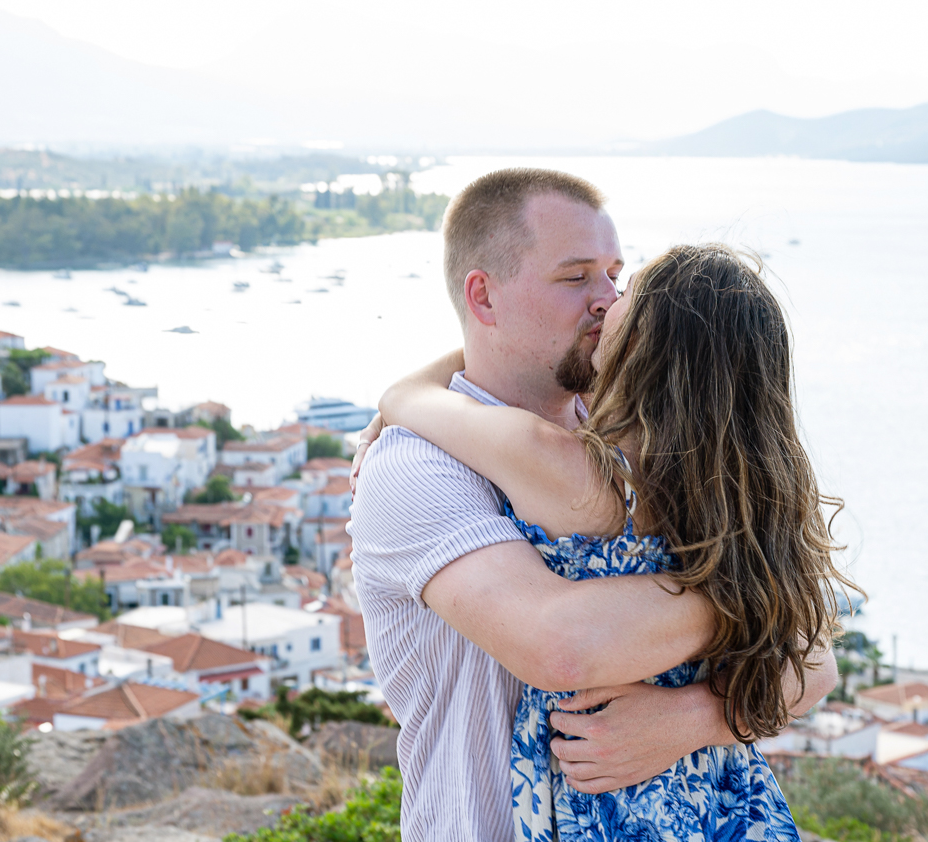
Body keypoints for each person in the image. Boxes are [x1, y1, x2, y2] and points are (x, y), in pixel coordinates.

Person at [347, 169, 840, 841]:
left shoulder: (650, 449)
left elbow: (814, 662)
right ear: (483, 296)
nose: (607, 300)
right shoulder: (417, 465)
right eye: (576, 277)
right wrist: (759, 594)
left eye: (615, 276)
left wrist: (690, 719)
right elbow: (564, 647)